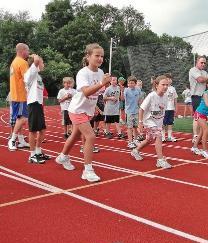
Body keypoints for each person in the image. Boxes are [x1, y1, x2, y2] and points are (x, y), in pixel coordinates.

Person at [55, 43, 111, 182]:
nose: (100, 58)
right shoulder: (83, 73)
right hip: (77, 109)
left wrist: (104, 87)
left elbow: (98, 93)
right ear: (88, 56)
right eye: (97, 55)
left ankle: (63, 156)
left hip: (88, 111)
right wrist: (101, 84)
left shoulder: (100, 72)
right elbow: (86, 92)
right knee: (90, 136)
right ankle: (88, 170)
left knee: (74, 136)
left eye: (102, 56)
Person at [130, 75, 172, 169]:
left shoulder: (165, 97)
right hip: (148, 121)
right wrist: (140, 123)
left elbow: (161, 110)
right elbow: (141, 109)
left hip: (158, 121)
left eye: (167, 85)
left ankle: (135, 150)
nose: (165, 87)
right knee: (158, 135)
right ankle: (160, 160)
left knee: (149, 139)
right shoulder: (151, 95)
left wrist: (161, 122)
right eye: (163, 84)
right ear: (156, 85)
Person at [24, 54, 50, 163]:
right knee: (33, 130)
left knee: (42, 130)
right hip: (33, 104)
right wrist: (36, 57)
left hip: (38, 105)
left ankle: (38, 151)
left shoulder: (38, 76)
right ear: (37, 63)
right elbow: (35, 62)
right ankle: (32, 155)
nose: (43, 64)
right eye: (42, 62)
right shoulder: (30, 73)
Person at [8, 43, 30, 151]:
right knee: (23, 118)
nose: (29, 53)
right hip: (21, 95)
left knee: (19, 119)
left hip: (15, 94)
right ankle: (12, 140)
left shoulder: (14, 62)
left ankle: (21, 140)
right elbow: (28, 79)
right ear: (22, 51)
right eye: (28, 50)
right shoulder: (22, 62)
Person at [189, 56, 208, 142]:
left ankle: (200, 136)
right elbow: (200, 79)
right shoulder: (193, 70)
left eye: (204, 63)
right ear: (197, 62)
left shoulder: (204, 72)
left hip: (204, 96)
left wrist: (206, 79)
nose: (203, 64)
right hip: (196, 96)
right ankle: (195, 136)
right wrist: (207, 79)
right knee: (197, 117)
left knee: (203, 117)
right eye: (201, 62)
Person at [124, 75, 141, 149]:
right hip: (129, 112)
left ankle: (135, 139)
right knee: (129, 127)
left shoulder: (138, 89)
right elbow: (122, 98)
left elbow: (139, 99)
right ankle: (130, 142)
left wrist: (140, 107)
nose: (130, 84)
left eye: (132, 83)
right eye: (129, 83)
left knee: (135, 126)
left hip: (136, 111)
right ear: (127, 83)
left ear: (135, 83)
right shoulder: (126, 90)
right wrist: (121, 91)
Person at [162, 73, 178, 142]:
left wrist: (176, 107)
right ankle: (162, 137)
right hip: (164, 109)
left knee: (170, 123)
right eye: (167, 79)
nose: (169, 80)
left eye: (170, 79)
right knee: (163, 123)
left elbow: (175, 98)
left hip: (171, 108)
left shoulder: (173, 88)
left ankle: (169, 136)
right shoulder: (163, 88)